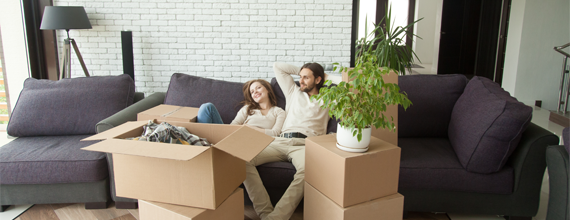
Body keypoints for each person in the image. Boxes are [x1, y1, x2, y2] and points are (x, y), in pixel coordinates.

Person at [244, 62, 330, 220]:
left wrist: (326, 76)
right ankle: (266, 215)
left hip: (305, 145)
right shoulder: (293, 92)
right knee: (242, 158)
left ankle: (276, 218)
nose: (301, 80)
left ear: (318, 80)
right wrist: (303, 71)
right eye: (300, 76)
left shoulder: (329, 99)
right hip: (280, 140)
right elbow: (277, 67)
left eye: (306, 78)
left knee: (308, 172)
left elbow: (348, 84)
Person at [196, 79, 286, 137]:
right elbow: (233, 126)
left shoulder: (279, 112)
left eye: (258, 88)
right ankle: (202, 143)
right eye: (252, 92)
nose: (255, 92)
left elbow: (276, 133)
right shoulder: (247, 108)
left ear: (268, 90)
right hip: (235, 137)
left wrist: (249, 129)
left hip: (254, 143)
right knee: (207, 107)